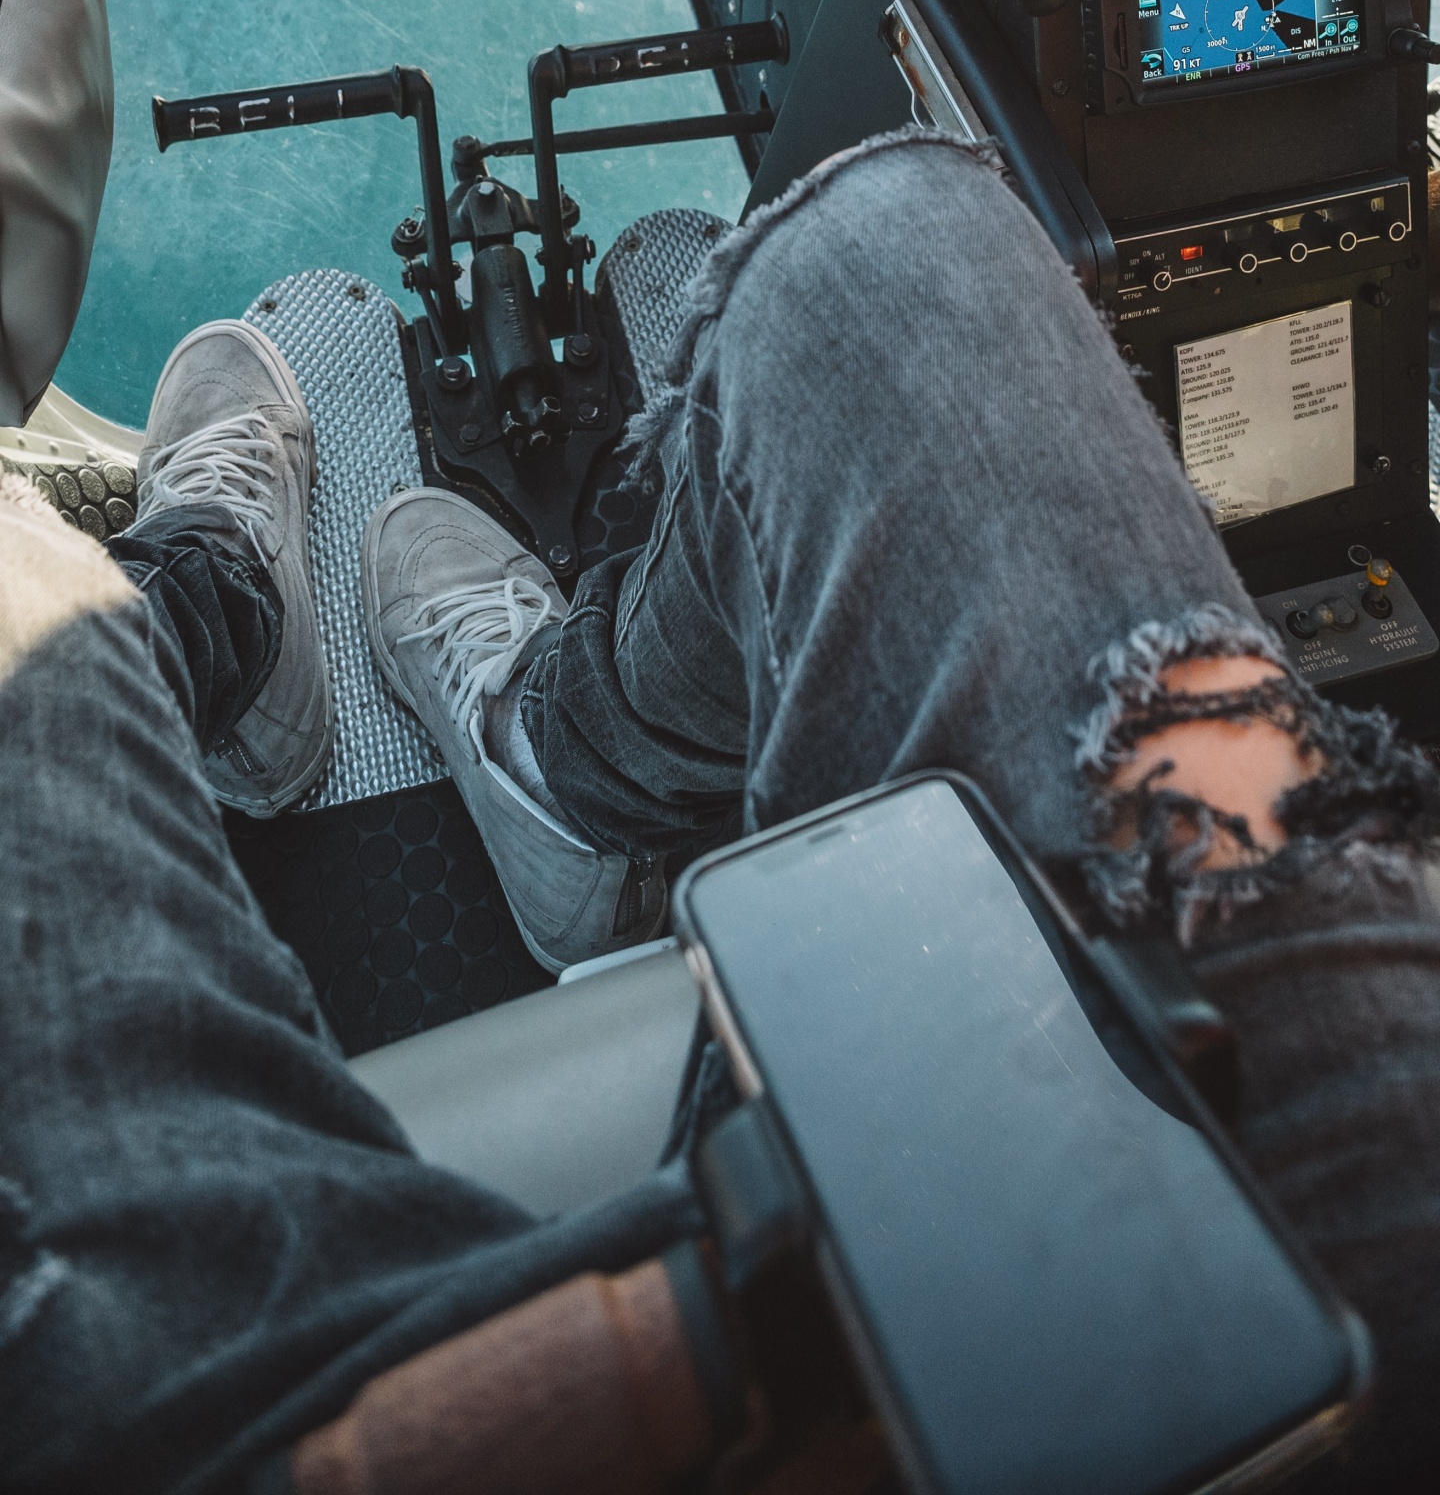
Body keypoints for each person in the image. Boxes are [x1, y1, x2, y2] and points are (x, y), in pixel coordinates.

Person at [4, 130, 1440, 1493]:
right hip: (1383, 1219)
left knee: (28, 604)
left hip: (270, 1408)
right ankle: (564, 775)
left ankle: (216, 607)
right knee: (886, 257)